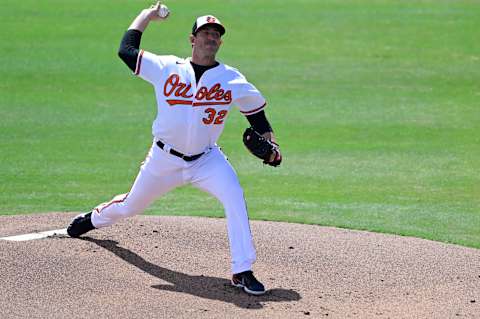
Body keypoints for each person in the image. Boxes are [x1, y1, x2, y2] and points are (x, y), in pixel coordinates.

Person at [66, 2, 282, 296]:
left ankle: (242, 270)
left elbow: (257, 117)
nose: (211, 38)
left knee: (234, 195)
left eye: (216, 34)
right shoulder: (167, 67)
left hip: (207, 160)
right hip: (163, 159)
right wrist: (146, 16)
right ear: (192, 40)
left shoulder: (231, 79)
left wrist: (272, 145)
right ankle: (93, 219)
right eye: (205, 33)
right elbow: (126, 51)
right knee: (132, 205)